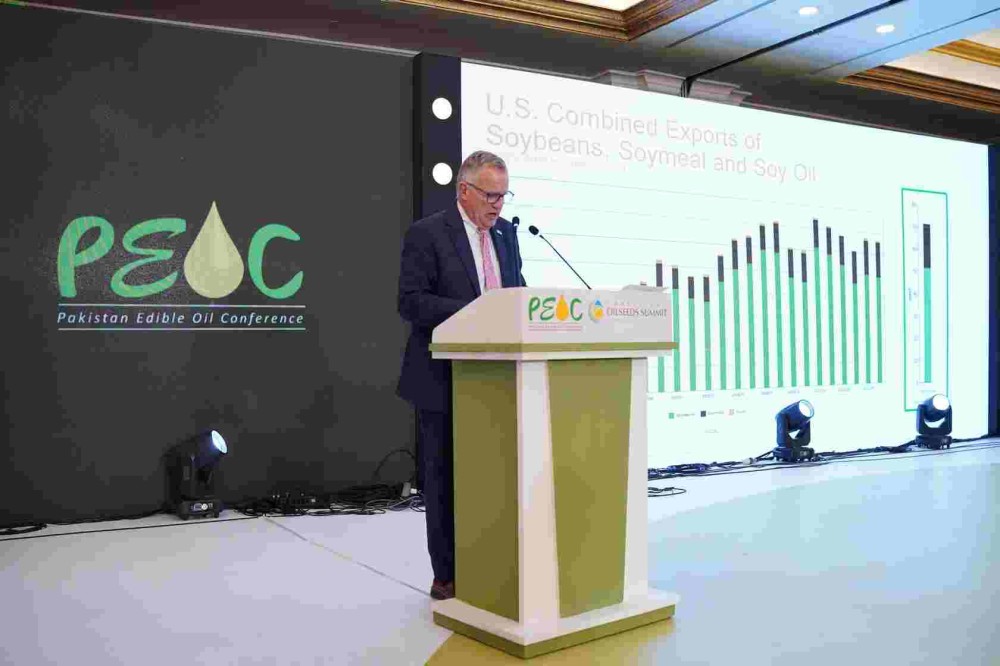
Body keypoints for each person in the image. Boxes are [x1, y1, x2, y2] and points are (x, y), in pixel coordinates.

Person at [396, 151, 526, 601]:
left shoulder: (506, 235)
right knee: (444, 481)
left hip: (499, 379)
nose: (498, 205)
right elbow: (410, 301)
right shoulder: (428, 233)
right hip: (442, 378)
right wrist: (477, 310)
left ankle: (491, 564)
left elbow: (516, 294)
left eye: (503, 195)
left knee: (495, 479)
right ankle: (447, 575)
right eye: (490, 195)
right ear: (464, 191)